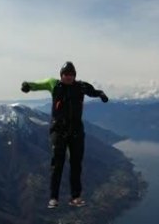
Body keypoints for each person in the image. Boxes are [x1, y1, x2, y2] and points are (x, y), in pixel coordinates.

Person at [21, 61, 109, 209]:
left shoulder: (81, 86)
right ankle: (53, 197)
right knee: (58, 164)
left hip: (76, 131)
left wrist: (101, 94)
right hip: (58, 130)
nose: (68, 77)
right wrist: (27, 85)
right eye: (65, 74)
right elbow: (37, 84)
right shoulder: (53, 84)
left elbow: (93, 91)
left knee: (76, 164)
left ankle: (75, 197)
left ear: (75, 75)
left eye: (71, 74)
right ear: (61, 75)